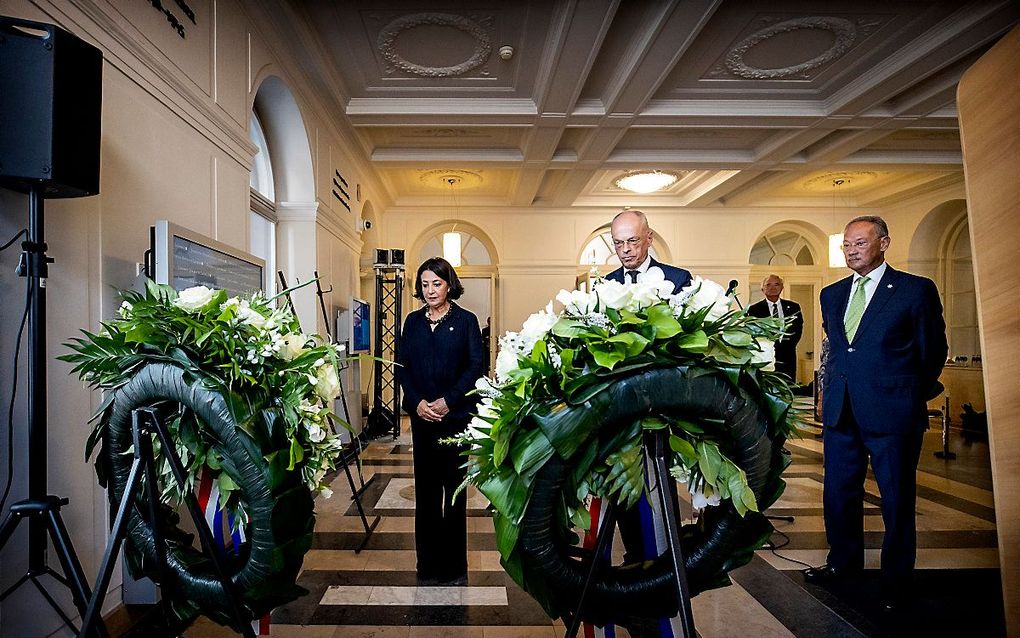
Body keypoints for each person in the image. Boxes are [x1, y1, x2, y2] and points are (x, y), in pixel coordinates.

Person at [806, 216, 947, 612]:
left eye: (860, 243)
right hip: (842, 412)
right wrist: (826, 395)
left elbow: (932, 350)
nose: (851, 250)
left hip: (894, 413)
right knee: (837, 495)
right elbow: (837, 351)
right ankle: (842, 565)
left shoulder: (914, 290)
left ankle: (896, 580)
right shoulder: (832, 295)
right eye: (846, 244)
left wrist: (905, 393)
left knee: (896, 500)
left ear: (884, 243)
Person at [397, 257, 484, 585]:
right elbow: (402, 364)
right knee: (428, 493)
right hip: (422, 421)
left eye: (436, 283)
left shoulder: (466, 321)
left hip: (456, 420)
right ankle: (428, 566)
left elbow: (476, 366)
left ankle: (454, 567)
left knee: (454, 493)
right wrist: (417, 402)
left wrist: (448, 401)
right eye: (424, 284)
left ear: (449, 284)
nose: (430, 290)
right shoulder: (412, 322)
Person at [605, 209, 691, 293]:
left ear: (649, 238)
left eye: (633, 240)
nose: (625, 249)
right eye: (618, 242)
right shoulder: (605, 284)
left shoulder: (679, 279)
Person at [747, 275, 803, 381]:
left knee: (788, 387)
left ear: (782, 287)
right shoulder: (754, 309)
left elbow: (798, 330)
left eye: (776, 284)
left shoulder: (793, 307)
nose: (773, 287)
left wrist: (788, 346)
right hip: (765, 356)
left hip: (788, 356)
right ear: (762, 289)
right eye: (768, 285)